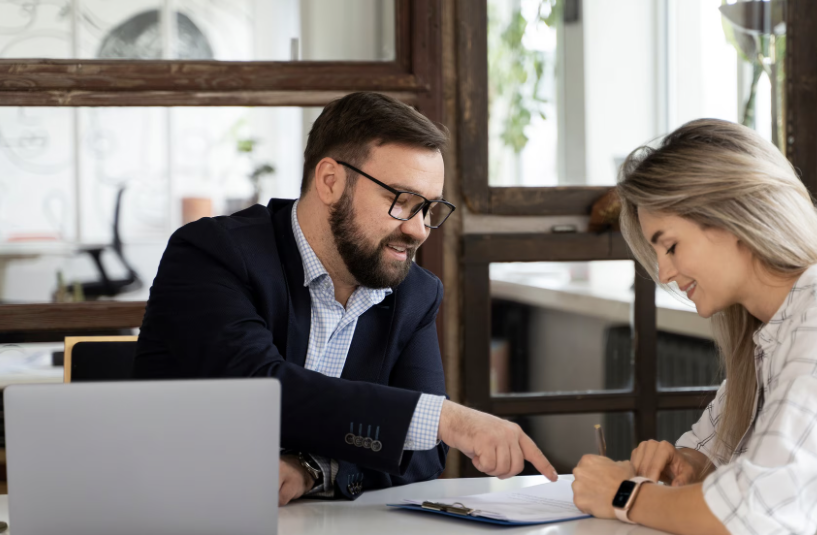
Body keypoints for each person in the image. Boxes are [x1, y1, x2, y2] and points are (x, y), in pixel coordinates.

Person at [134, 92, 557, 506]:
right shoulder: (213, 253)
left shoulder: (414, 293)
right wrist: (443, 417)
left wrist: (314, 469)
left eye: (428, 209)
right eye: (402, 201)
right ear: (331, 181)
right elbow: (257, 389)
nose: (419, 230)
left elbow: (426, 454)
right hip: (177, 518)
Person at [571, 119, 817, 535]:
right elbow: (703, 454)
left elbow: (755, 506)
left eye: (671, 246)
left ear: (730, 218)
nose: (662, 273)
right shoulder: (766, 336)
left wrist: (626, 495)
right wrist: (688, 467)